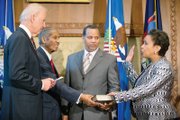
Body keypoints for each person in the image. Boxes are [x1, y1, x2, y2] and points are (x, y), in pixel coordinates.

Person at [1, 3, 56, 120]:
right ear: (33, 18)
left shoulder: (23, 37)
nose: (44, 25)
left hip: (23, 106)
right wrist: (41, 84)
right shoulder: (20, 38)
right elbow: (17, 74)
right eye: (43, 20)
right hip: (21, 108)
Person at [109, 29, 178, 119]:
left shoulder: (164, 66)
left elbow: (147, 89)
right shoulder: (152, 65)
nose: (141, 46)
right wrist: (128, 64)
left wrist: (119, 96)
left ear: (157, 48)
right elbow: (139, 86)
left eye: (145, 43)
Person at [37, 27, 99, 120]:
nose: (58, 41)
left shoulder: (46, 57)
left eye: (59, 38)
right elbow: (55, 83)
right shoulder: (39, 56)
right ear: (44, 39)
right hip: (45, 111)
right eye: (55, 38)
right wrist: (81, 96)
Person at [61, 24, 120, 120]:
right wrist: (64, 112)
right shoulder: (72, 58)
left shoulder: (109, 59)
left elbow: (114, 87)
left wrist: (109, 104)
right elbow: (67, 87)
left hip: (99, 114)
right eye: (90, 37)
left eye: (96, 38)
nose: (93, 41)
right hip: (75, 114)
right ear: (83, 38)